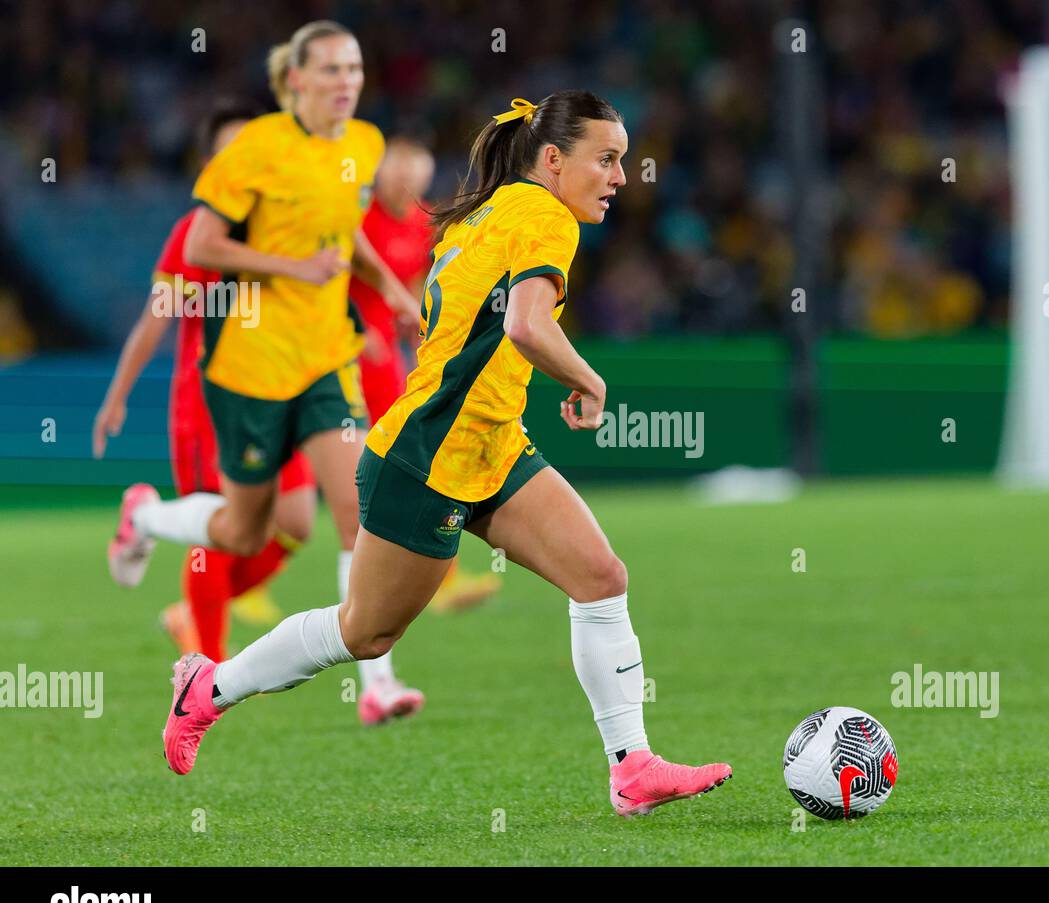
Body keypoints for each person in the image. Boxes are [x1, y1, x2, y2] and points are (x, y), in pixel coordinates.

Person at [160, 90, 733, 817]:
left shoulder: (489, 212)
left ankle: (632, 767)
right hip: (428, 458)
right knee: (363, 632)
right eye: (608, 159)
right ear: (553, 160)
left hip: (491, 444)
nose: (621, 177)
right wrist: (589, 379)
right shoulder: (545, 217)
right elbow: (527, 326)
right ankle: (207, 688)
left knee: (600, 577)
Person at [107, 20, 426, 723]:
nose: (347, 82)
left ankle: (377, 684)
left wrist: (397, 293)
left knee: (355, 509)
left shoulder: (365, 145)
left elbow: (343, 234)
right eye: (332, 70)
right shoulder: (256, 151)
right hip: (249, 369)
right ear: (295, 80)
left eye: (356, 68)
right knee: (242, 531)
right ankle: (148, 517)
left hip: (323, 361)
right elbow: (204, 243)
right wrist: (292, 268)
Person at [93, 99, 315, 663]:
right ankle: (209, 671)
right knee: (214, 533)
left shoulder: (286, 226)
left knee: (295, 520)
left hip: (278, 395)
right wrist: (116, 397)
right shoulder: (195, 233)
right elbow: (156, 320)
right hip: (210, 406)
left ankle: (187, 608)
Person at [348, 136, 500, 613]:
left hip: (387, 349)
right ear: (380, 173)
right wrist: (352, 327)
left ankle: (437, 576)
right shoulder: (357, 219)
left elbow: (418, 284)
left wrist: (424, 342)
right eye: (398, 176)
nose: (405, 186)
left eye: (415, 179)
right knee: (401, 454)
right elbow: (331, 274)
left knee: (408, 452)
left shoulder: (421, 222)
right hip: (347, 345)